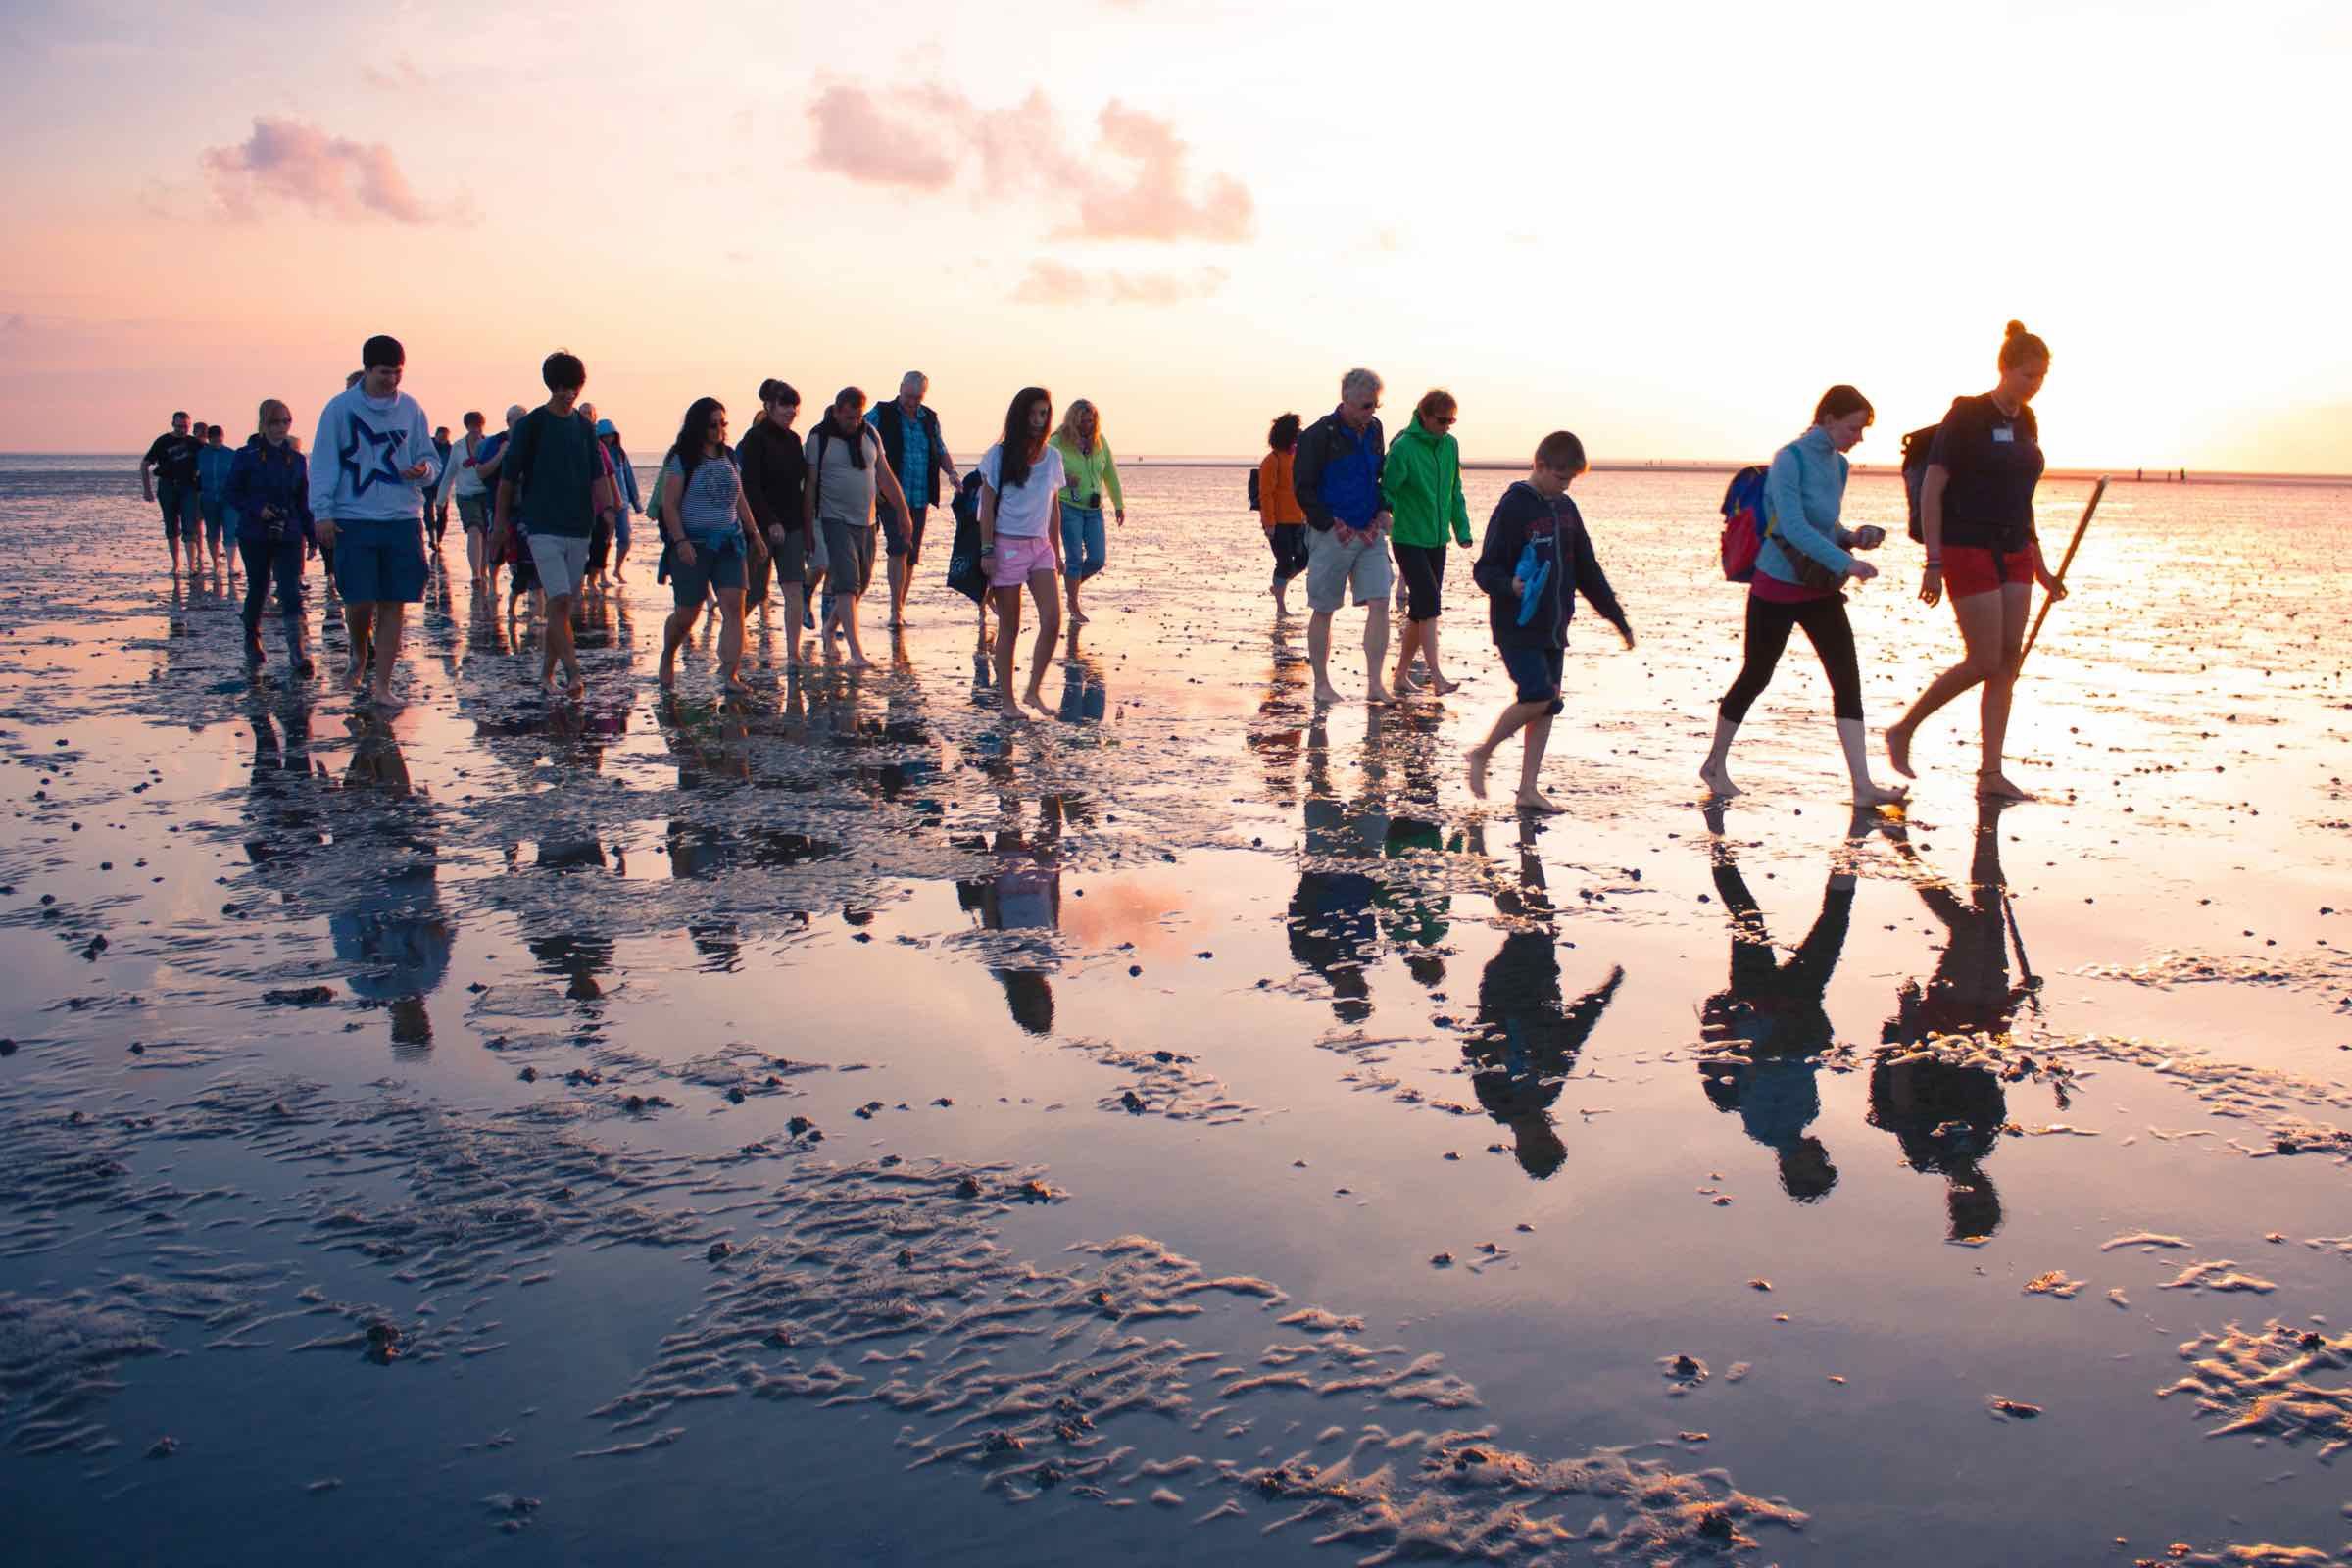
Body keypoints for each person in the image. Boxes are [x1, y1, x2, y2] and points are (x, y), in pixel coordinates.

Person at [1699, 385, 1904, 805]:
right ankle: (1714, 764)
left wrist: (1852, 538)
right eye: (1853, 427)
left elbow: (1825, 526)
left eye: (1862, 430)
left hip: (1817, 588)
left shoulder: (1839, 466)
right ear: (1827, 419)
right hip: (1775, 586)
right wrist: (1846, 563)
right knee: (1756, 676)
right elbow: (1792, 526)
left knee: (1847, 679)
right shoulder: (1788, 459)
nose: (1858, 437)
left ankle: (1862, 786)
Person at [1886, 321, 2066, 801]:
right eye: (2028, 375)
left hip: (2016, 550)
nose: (2035, 385)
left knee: (2008, 663)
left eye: (2042, 377)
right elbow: (1934, 486)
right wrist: (1934, 560)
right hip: (1967, 547)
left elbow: (2021, 499)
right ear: (2004, 368)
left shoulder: (2026, 421)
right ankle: (1904, 729)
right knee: (1984, 659)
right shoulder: (1967, 414)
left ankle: (1990, 774)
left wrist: (2041, 564)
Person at [1465, 430, 1633, 812]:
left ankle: (1528, 789)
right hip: (1517, 626)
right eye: (1560, 478)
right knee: (1537, 694)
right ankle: (1482, 753)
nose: (1564, 486)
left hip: (1555, 626)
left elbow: (1588, 571)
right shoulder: (1513, 507)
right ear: (1539, 465)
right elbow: (1484, 568)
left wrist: (1617, 618)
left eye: (1570, 480)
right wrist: (1509, 585)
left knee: (1548, 704)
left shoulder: (1567, 510)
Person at [309, 334, 439, 709]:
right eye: (384, 373)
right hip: (354, 516)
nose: (392, 380)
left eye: (397, 373)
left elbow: (430, 458)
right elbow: (322, 462)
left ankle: (382, 685)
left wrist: (425, 470)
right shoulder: (340, 409)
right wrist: (322, 513)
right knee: (360, 598)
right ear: (367, 369)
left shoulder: (411, 409)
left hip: (401, 517)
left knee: (394, 600)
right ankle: (358, 649)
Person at [492, 351, 616, 700]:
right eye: (562, 387)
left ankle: (546, 674)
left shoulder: (584, 428)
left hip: (579, 526)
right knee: (558, 598)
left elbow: (598, 474)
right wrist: (499, 526)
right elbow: (507, 477)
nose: (569, 394)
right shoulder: (532, 425)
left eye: (574, 387)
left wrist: (608, 510)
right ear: (551, 386)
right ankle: (574, 675)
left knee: (564, 606)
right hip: (541, 525)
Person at [1292, 368, 1395, 705]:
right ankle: (1322, 684)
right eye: (1366, 406)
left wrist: (1382, 509)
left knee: (1380, 600)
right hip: (1331, 535)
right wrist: (1329, 523)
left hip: (1369, 533)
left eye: (1375, 406)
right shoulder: (1317, 435)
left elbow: (1378, 477)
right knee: (1324, 608)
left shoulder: (1375, 429)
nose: (1371, 412)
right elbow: (1303, 489)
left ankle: (1375, 684)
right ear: (1346, 400)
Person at [804, 386, 914, 668]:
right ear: (838, 410)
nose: (854, 423)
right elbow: (811, 485)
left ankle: (829, 628)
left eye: (858, 417)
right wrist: (807, 528)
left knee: (862, 582)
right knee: (847, 583)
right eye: (849, 417)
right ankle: (856, 651)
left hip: (866, 520)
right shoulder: (820, 437)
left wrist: (903, 511)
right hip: (832, 519)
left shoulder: (870, 434)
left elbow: (885, 475)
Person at [657, 397, 761, 692]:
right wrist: (680, 541)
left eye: (723, 424)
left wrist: (754, 534)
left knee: (733, 608)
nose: (719, 430)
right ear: (699, 426)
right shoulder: (683, 459)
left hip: (729, 544)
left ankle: (730, 675)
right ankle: (668, 655)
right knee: (687, 614)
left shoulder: (729, 456)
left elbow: (740, 498)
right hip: (694, 545)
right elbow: (670, 505)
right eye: (713, 425)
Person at [975, 386, 1065, 716]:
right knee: (1010, 627)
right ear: (1020, 415)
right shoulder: (998, 456)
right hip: (1006, 545)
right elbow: (986, 505)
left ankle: (1033, 691)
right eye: (1032, 413)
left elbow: (1053, 508)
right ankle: (1008, 701)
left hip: (1040, 548)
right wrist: (987, 550)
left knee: (1053, 619)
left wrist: (1056, 552)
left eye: (1043, 414)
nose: (1038, 420)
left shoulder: (1053, 458)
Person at [1380, 389, 1473, 698]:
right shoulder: (1404, 447)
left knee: (1420, 611)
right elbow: (1387, 487)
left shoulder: (1451, 446)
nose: (1446, 426)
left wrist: (1462, 530)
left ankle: (1401, 676)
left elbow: (1454, 491)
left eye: (1452, 421)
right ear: (1424, 415)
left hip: (1437, 540)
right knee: (1430, 603)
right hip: (1408, 538)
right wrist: (1383, 515)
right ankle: (1436, 676)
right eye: (1441, 420)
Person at [225, 399, 315, 673]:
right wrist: (257, 509)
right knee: (259, 587)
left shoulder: (297, 459)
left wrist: (311, 536)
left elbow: (303, 501)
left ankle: (297, 652)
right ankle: (252, 638)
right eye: (275, 422)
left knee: (290, 590)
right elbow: (231, 493)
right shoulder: (246, 455)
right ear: (263, 424)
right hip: (254, 533)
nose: (281, 428)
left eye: (286, 422)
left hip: (289, 532)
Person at [867, 371, 959, 628]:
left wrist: (952, 473)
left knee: (910, 554)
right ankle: (895, 610)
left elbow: (940, 449)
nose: (912, 402)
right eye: (908, 396)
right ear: (900, 390)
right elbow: (858, 435)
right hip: (890, 495)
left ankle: (900, 605)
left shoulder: (929, 418)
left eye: (917, 398)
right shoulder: (881, 412)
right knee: (898, 547)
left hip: (919, 496)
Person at [739, 378, 812, 662]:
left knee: (794, 586)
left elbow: (801, 487)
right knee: (753, 591)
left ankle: (793, 653)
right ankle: (733, 639)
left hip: (792, 525)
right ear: (769, 405)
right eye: (785, 405)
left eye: (794, 406)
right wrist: (770, 522)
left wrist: (806, 528)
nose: (791, 411)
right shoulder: (755, 439)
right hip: (761, 527)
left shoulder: (794, 440)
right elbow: (750, 486)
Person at [1047, 398, 1123, 627]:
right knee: (1074, 559)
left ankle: (1071, 586)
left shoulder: (1100, 442)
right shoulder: (1057, 442)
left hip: (1094, 509)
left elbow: (1110, 473)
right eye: (1083, 421)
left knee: (1097, 559)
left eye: (1091, 421)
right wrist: (1063, 481)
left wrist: (1119, 504)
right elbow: (1043, 472)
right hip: (1067, 506)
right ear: (1073, 420)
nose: (1087, 425)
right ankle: (1073, 604)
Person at [140, 411, 205, 574]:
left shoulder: (194, 443)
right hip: (167, 486)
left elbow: (210, 457)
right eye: (179, 426)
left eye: (185, 427)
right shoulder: (163, 441)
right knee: (171, 526)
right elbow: (145, 464)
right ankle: (176, 564)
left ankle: (191, 566)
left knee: (189, 526)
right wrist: (147, 489)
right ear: (172, 424)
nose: (182, 430)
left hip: (189, 488)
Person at [434, 410, 494, 580]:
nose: (476, 431)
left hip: (487, 493)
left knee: (487, 535)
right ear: (467, 427)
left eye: (479, 427)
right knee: (474, 530)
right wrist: (441, 500)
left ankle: (484, 571)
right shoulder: (458, 447)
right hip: (466, 495)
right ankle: (476, 574)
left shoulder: (489, 443)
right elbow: (449, 474)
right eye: (473, 427)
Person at [1259, 412, 1308, 615]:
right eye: (1295, 431)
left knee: (1304, 560)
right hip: (1278, 523)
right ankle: (1281, 606)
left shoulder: (1297, 456)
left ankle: (1280, 584)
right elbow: (1266, 494)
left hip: (1299, 520)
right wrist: (1269, 523)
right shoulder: (1272, 460)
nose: (1299, 434)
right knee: (1284, 562)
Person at [598, 419, 641, 581]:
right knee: (604, 540)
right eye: (604, 436)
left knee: (625, 539)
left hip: (622, 503)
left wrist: (636, 503)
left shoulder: (620, 454)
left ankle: (617, 569)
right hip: (604, 504)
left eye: (611, 436)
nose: (608, 439)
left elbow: (628, 477)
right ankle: (601, 574)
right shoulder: (597, 453)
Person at [196, 423, 240, 577]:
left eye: (219, 440)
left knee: (230, 531)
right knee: (212, 533)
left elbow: (239, 477)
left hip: (229, 499)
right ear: (208, 439)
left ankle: (231, 567)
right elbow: (195, 475)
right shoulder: (201, 454)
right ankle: (215, 564)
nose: (216, 443)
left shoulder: (231, 454)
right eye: (213, 440)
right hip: (208, 498)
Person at [427, 424, 454, 550]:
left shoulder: (451, 449)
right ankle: (432, 539)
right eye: (441, 438)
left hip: (443, 486)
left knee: (442, 514)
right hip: (427, 484)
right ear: (436, 435)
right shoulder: (428, 446)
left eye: (445, 438)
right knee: (428, 512)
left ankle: (439, 540)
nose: (443, 440)